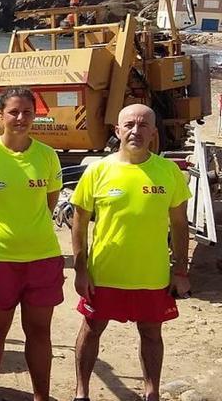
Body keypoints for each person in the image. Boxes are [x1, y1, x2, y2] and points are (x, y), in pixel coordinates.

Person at [70, 104, 191, 401]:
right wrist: (81, 269)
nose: (136, 130)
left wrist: (180, 271)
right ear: (118, 130)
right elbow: (79, 222)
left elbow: (179, 225)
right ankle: (81, 392)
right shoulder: (98, 170)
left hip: (151, 275)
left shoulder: (168, 172)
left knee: (151, 334)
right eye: (129, 125)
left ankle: (152, 393)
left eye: (143, 125)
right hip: (105, 273)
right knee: (91, 329)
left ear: (153, 132)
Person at [0, 87, 64, 401]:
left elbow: (50, 203)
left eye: (27, 112)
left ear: (35, 115)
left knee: (38, 333)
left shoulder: (47, 156)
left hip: (43, 258)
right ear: (0, 114)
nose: (21, 118)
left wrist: (27, 230)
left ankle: (41, 396)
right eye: (14, 112)